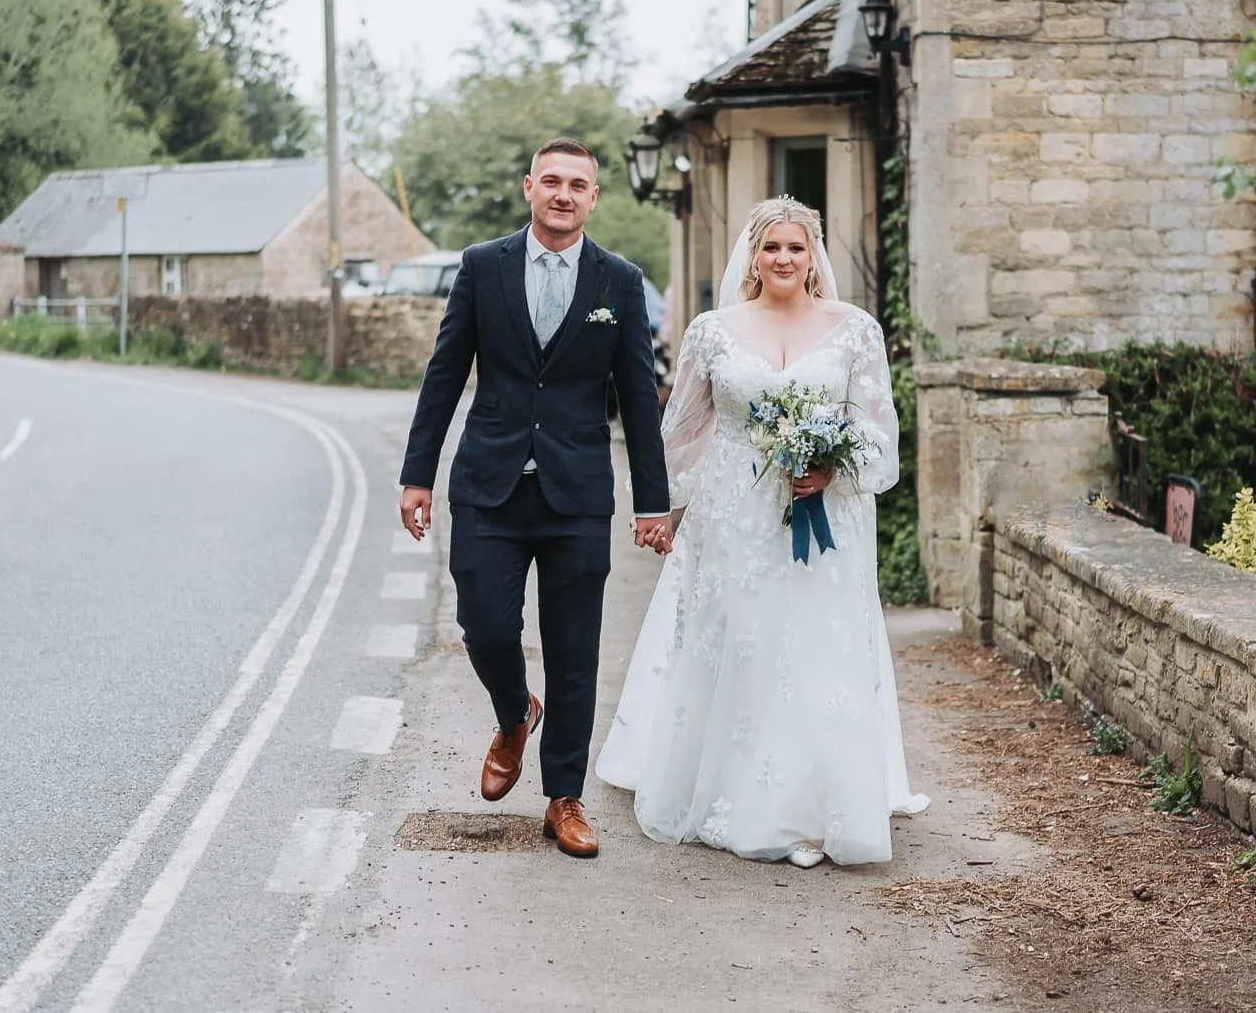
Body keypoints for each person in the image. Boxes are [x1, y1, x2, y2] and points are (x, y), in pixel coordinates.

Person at [596, 196, 930, 868]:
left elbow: (878, 430)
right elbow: (684, 429)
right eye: (772, 247)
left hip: (826, 519)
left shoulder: (855, 329)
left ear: (814, 257)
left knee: (815, 647)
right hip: (733, 518)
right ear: (753, 256)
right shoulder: (712, 331)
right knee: (744, 643)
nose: (783, 259)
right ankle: (736, 793)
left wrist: (833, 466)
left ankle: (819, 799)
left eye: (796, 248)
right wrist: (659, 508)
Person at [397, 137, 672, 860]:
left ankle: (564, 798)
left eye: (577, 184)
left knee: (576, 650)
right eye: (551, 180)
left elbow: (639, 402)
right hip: (488, 483)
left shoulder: (620, 280)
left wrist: (653, 501)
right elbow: (445, 370)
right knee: (484, 625)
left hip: (577, 491)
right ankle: (515, 711)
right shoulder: (482, 267)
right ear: (528, 187)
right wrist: (416, 473)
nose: (563, 193)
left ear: (593, 197)